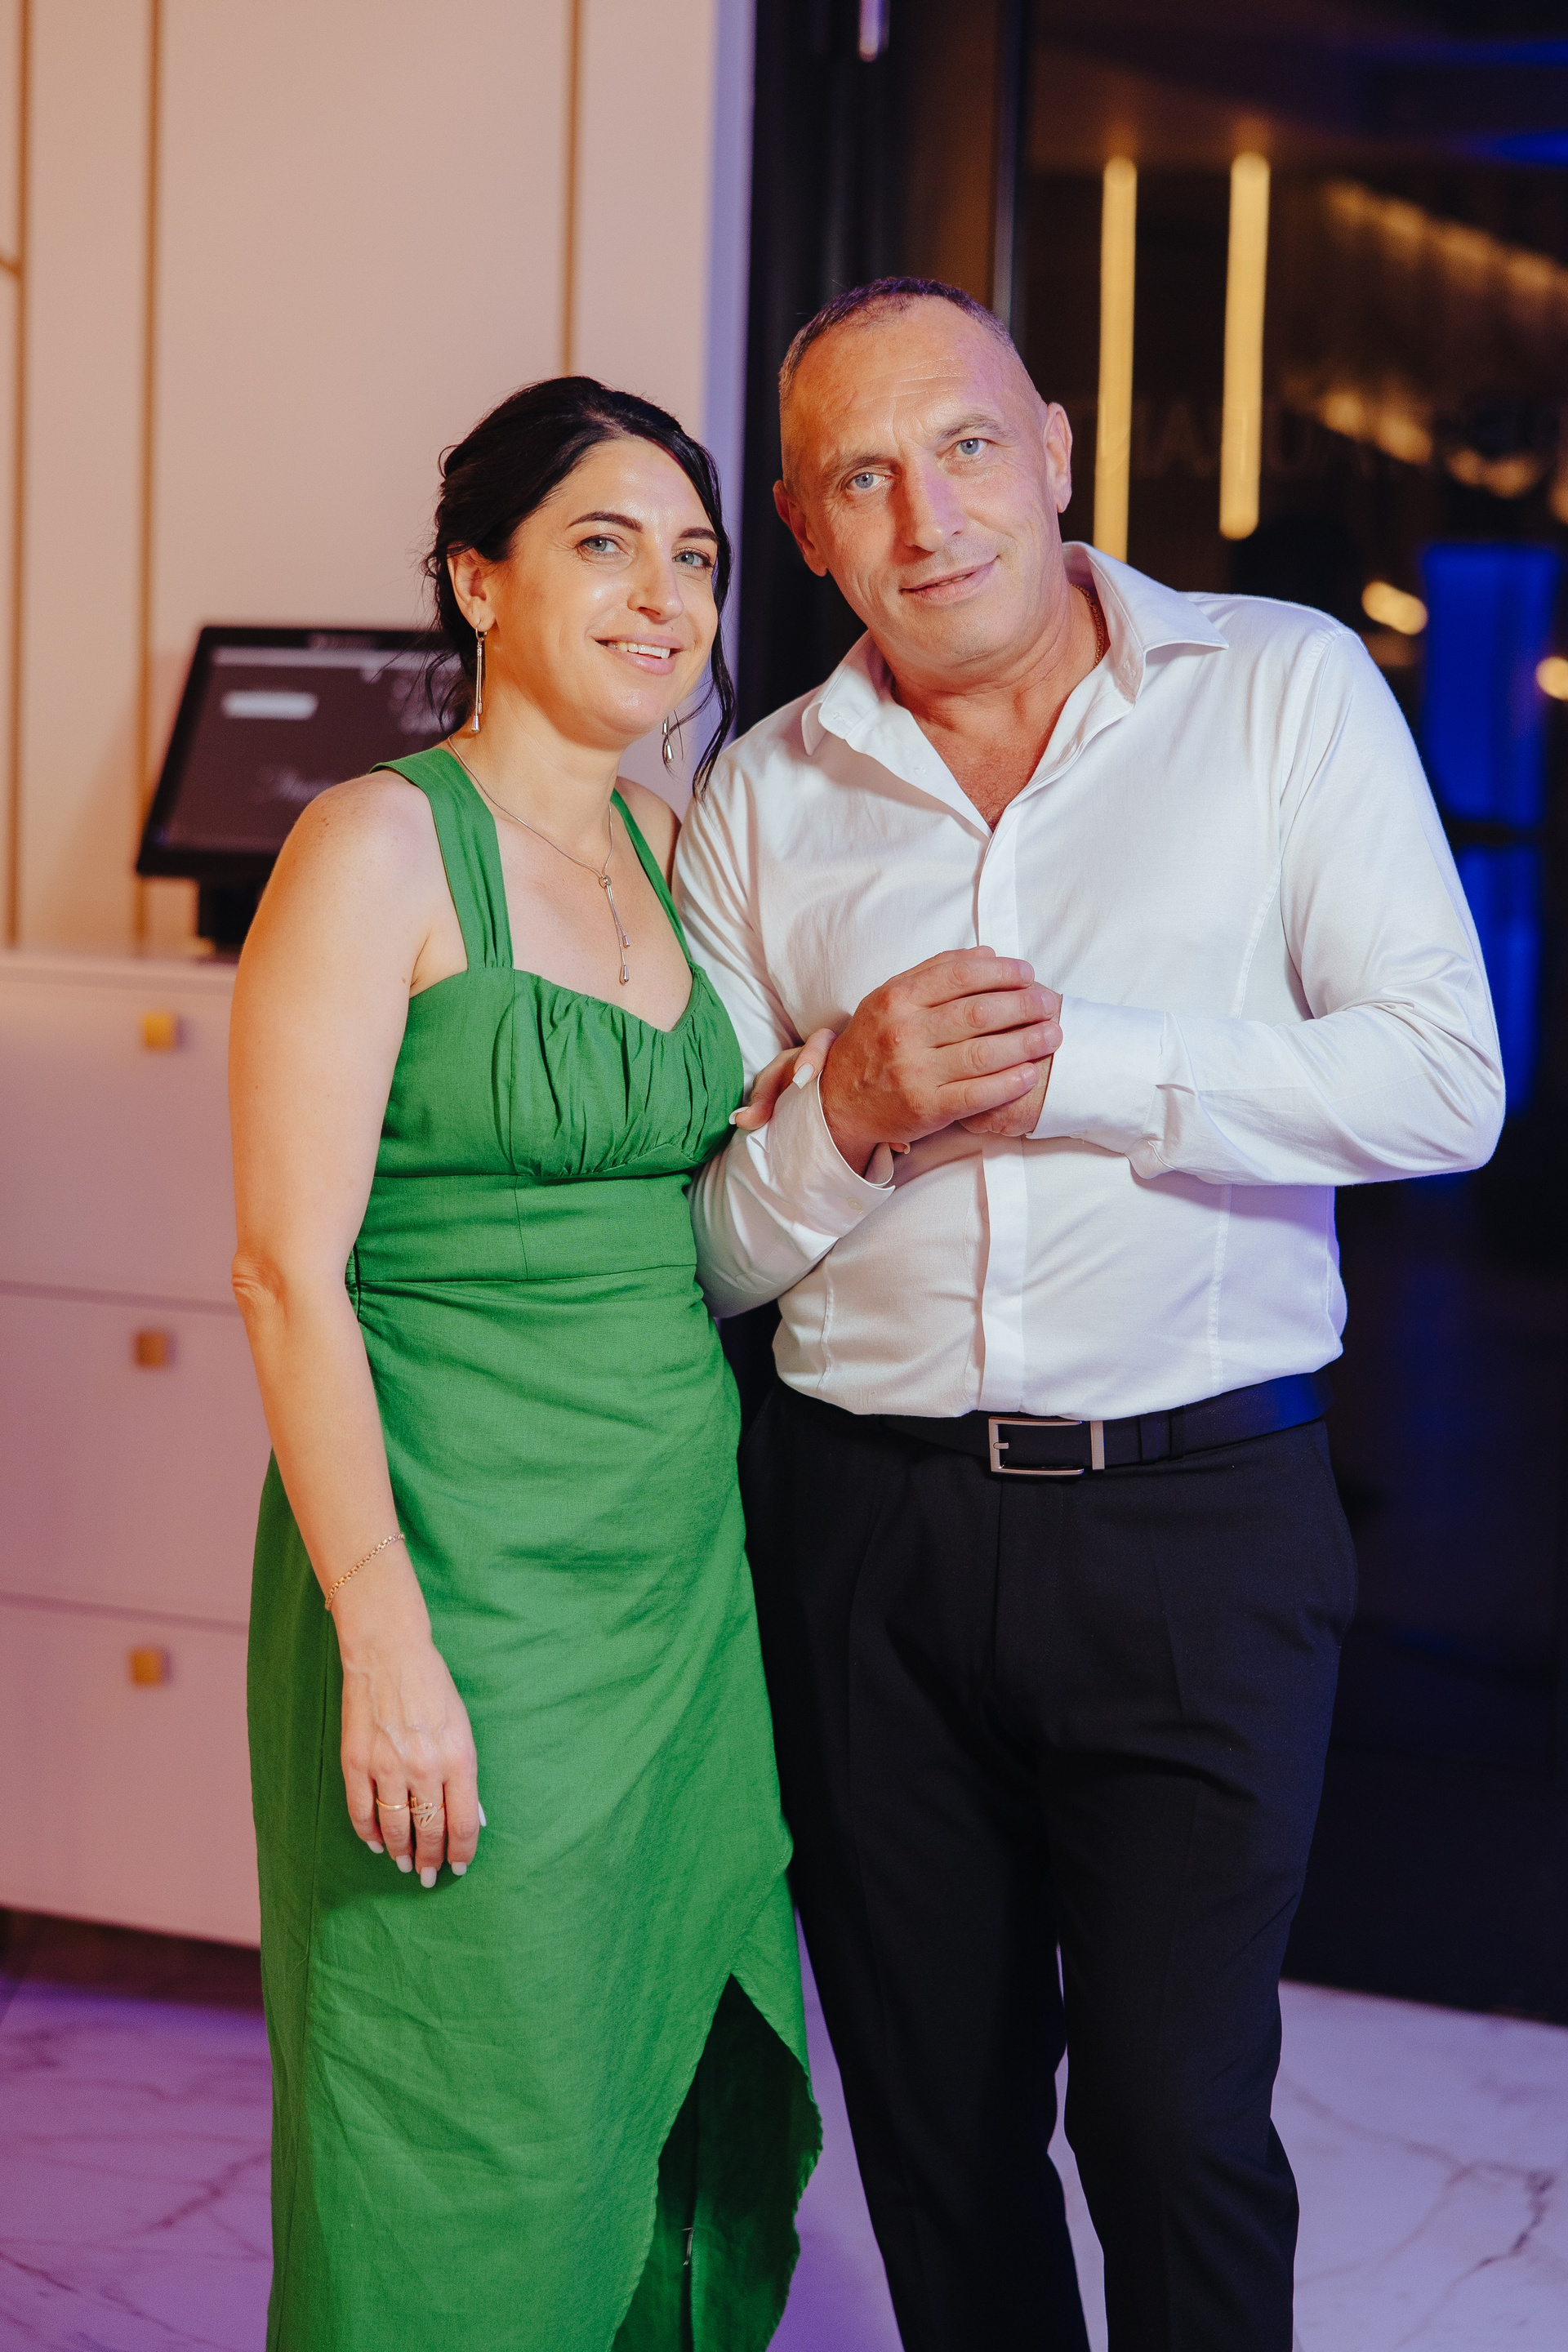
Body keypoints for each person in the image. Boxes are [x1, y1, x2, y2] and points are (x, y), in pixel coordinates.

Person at [675, 278, 1503, 2351]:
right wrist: (850, 1116)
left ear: (1053, 448)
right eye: (863, 477)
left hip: (1196, 1527)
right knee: (938, 2137)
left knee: (1174, 2118)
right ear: (807, 528)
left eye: (966, 446)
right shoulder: (759, 797)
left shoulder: (1280, 688)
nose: (928, 514)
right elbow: (705, 1254)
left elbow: (1443, 1081)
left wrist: (1090, 1066)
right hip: (863, 1537)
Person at [230, 376, 819, 2352]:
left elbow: (703, 1186)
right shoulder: (375, 846)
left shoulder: (676, 843)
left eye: (696, 558)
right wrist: (384, 1640)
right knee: (459, 2122)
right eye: (604, 544)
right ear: (478, 582)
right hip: (455, 1577)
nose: (665, 597)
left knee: (644, 2083)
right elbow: (285, 1276)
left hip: (671, 1587)